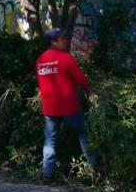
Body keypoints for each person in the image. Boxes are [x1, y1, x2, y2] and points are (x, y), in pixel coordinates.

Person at [36, 29, 97, 181]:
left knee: (50, 141)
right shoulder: (66, 58)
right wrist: (90, 91)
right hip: (69, 107)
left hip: (50, 108)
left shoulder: (40, 60)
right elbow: (82, 80)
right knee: (84, 133)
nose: (66, 41)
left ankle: (47, 175)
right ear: (53, 42)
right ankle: (95, 169)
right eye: (62, 39)